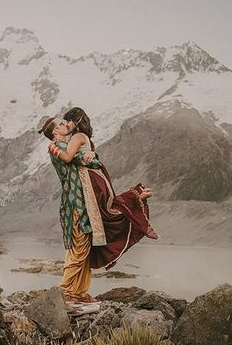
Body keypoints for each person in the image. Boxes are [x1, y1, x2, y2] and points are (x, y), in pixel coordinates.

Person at [58, 107, 158, 271]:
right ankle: (136, 197)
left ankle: (136, 198)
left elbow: (68, 157)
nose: (66, 124)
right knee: (107, 211)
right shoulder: (86, 138)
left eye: (69, 120)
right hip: (98, 178)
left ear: (77, 121)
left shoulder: (77, 136)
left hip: (88, 180)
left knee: (103, 214)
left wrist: (53, 146)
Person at [37, 116, 102, 307]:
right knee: (78, 248)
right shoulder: (57, 147)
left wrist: (91, 154)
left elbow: (87, 159)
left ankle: (80, 292)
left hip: (82, 201)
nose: (66, 124)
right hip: (74, 203)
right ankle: (66, 292)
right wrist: (90, 156)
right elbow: (83, 159)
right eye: (61, 123)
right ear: (55, 131)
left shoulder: (65, 147)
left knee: (85, 248)